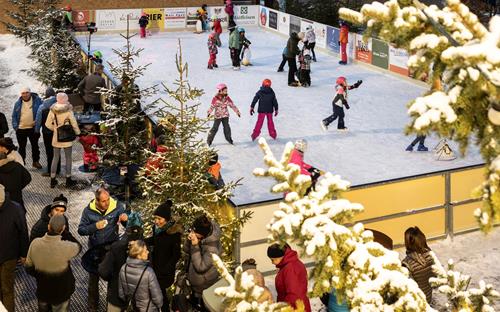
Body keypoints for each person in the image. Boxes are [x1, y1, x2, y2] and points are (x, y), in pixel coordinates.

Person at [78, 187, 128, 312]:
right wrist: (95, 226)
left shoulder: (117, 207)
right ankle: (92, 306)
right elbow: (81, 230)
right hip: (95, 250)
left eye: (108, 199)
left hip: (111, 249)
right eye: (104, 201)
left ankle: (110, 306)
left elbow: (128, 225)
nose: (107, 203)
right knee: (93, 279)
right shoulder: (88, 211)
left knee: (112, 279)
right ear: (97, 200)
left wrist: (126, 220)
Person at [25, 214, 81, 312]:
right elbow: (78, 247)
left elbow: (28, 267)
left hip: (43, 290)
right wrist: (66, 233)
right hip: (61, 293)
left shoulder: (35, 243)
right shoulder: (66, 247)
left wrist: (40, 274)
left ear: (48, 226)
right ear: (63, 228)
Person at [145, 201, 182, 312]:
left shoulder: (173, 234)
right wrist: (142, 241)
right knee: (158, 295)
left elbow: (176, 255)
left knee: (161, 296)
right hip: (155, 267)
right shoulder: (157, 230)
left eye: (159, 219)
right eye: (155, 218)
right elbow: (155, 241)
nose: (156, 221)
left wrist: (166, 269)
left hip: (164, 272)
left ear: (166, 219)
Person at [99, 226, 144, 312]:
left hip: (117, 293)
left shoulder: (116, 248)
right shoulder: (146, 251)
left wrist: (112, 280)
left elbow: (103, 271)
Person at [0, 184, 29, 312]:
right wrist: (23, 254)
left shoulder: (15, 209)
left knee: (6, 289)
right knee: (8, 289)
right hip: (10, 255)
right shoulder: (16, 208)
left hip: (9, 257)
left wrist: (23, 254)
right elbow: (23, 232)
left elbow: (23, 233)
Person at [184, 215, 222, 311]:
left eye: (196, 234)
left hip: (204, 287)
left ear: (203, 235)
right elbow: (186, 250)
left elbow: (201, 267)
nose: (194, 235)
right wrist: (189, 241)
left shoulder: (212, 248)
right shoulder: (201, 237)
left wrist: (195, 245)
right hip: (196, 286)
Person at [45, 93, 81, 188]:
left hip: (56, 138)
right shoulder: (68, 110)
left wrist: (56, 129)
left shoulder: (53, 110)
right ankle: (68, 179)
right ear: (65, 99)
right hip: (67, 138)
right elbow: (74, 123)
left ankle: (52, 180)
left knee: (55, 157)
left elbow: (47, 124)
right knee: (68, 158)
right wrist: (78, 133)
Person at [119, 240, 163, 311]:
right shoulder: (148, 272)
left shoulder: (123, 268)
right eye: (145, 251)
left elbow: (122, 294)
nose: (148, 252)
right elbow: (158, 299)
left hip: (134, 307)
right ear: (139, 255)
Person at [267, 244, 311, 312]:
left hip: (295, 308)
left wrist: (284, 308)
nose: (272, 262)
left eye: (273, 260)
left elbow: (293, 293)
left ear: (280, 257)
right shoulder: (289, 265)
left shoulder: (290, 268)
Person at [11, 87, 43, 168]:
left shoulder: (37, 101)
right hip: (21, 129)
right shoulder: (18, 103)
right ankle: (22, 163)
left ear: (30, 92)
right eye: (23, 93)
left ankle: (35, 162)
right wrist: (16, 127)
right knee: (22, 147)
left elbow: (41, 111)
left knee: (35, 146)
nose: (25, 95)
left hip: (33, 128)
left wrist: (37, 122)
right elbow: (14, 116)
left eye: (26, 92)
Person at [402, 226, 435, 303]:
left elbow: (408, 288)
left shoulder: (407, 264)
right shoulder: (431, 256)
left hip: (416, 304)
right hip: (428, 299)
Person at [35, 87, 61, 176]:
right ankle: (58, 169)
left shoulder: (42, 107)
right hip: (58, 132)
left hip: (47, 132)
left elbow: (38, 120)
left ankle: (50, 171)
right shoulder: (59, 105)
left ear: (46, 95)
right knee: (57, 151)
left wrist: (36, 131)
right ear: (54, 95)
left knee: (49, 151)